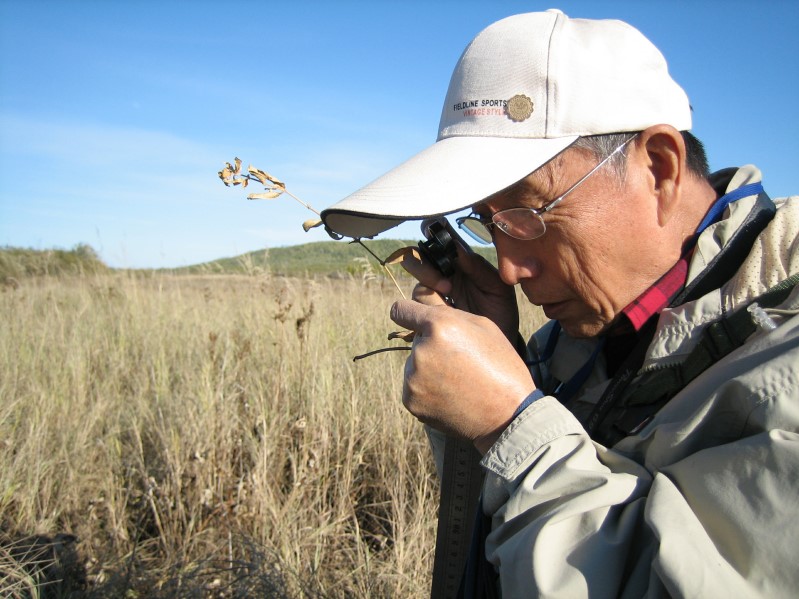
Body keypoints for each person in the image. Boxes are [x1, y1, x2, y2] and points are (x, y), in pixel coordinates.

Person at [321, 10, 799, 598]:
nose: (508, 269)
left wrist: (511, 428)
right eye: (487, 223)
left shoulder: (784, 352)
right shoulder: (564, 345)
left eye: (526, 214)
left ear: (659, 169)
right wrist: (502, 365)